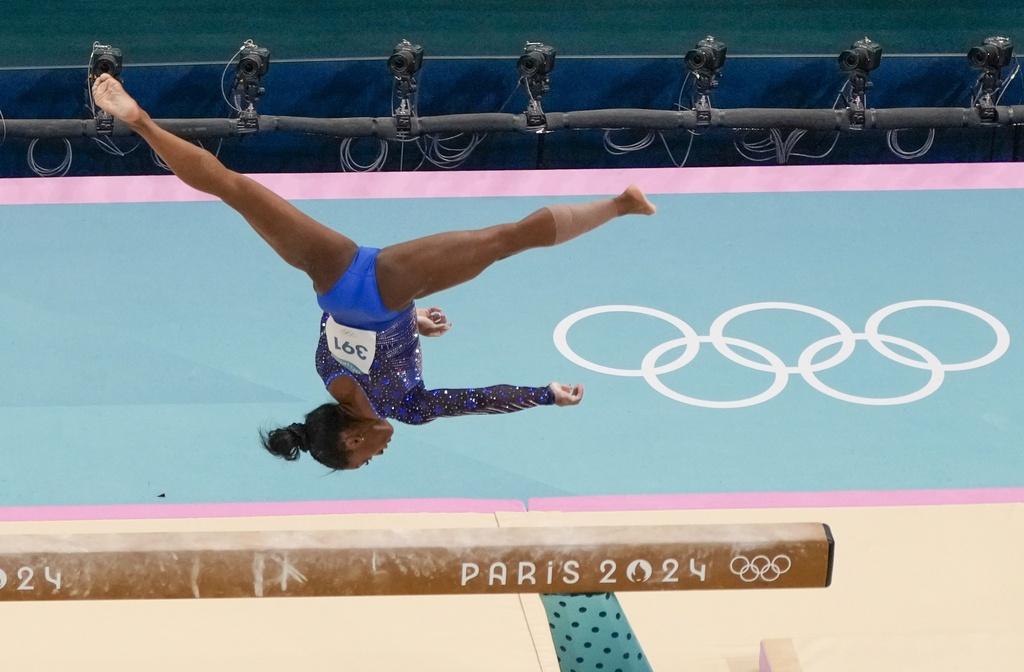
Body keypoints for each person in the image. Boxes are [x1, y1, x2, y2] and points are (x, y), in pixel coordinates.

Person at [90, 73, 656, 471]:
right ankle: (141, 122)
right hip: (335, 279)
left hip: (386, 289)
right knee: (234, 189)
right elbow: (347, 334)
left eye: (364, 460)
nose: (378, 455)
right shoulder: (325, 375)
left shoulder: (404, 408)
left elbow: (475, 400)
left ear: (353, 439)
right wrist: (413, 323)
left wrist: (546, 395)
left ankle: (620, 205)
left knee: (506, 240)